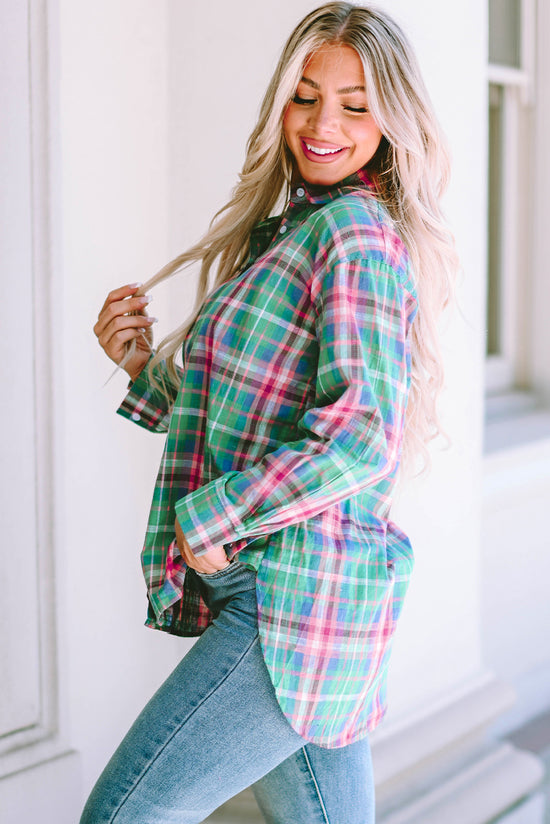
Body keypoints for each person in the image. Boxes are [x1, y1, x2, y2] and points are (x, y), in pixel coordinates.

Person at [83, 3, 457, 822]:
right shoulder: (297, 231)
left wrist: (213, 518)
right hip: (312, 599)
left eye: (356, 104)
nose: (325, 123)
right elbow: (250, 423)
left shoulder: (352, 235)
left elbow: (361, 436)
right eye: (306, 95)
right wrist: (145, 367)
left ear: (392, 119)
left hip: (290, 601)